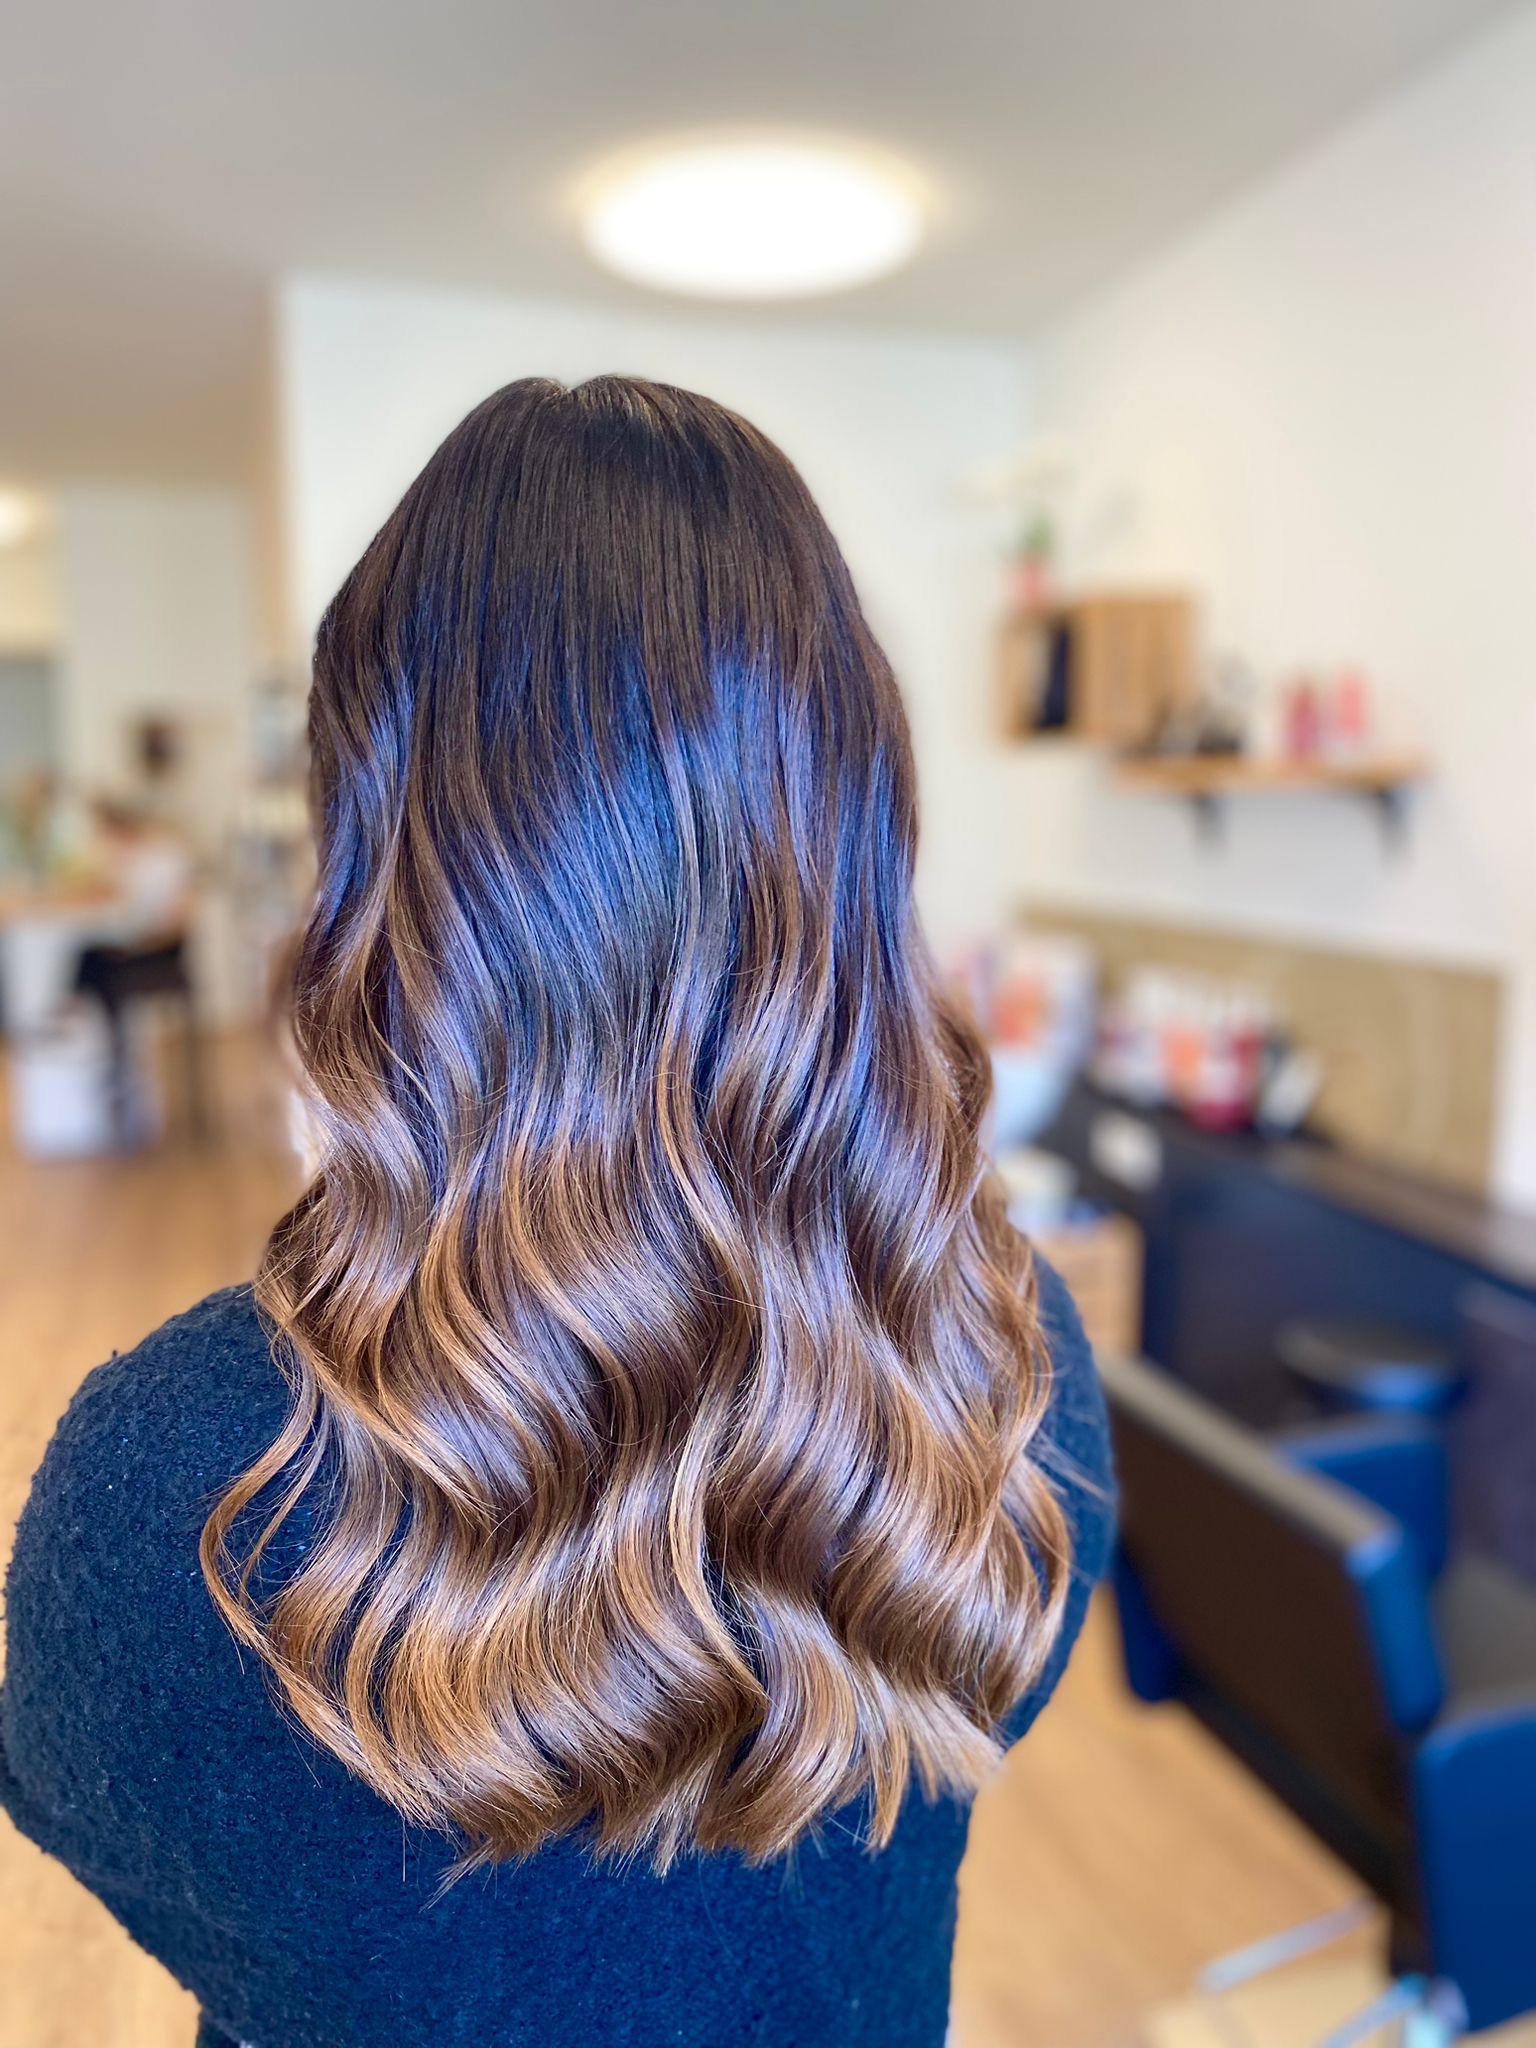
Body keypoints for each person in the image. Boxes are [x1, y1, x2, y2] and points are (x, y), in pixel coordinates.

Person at [0, 376, 1114, 2048]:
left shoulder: (181, 1484)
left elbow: (136, 1851)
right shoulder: (1012, 1360)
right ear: (852, 826)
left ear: (379, 853)